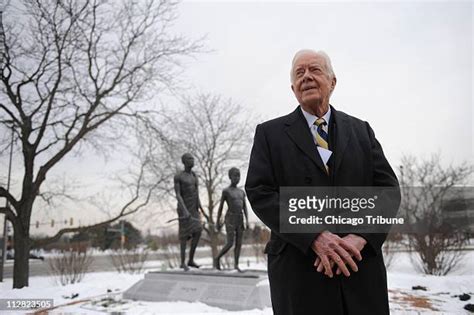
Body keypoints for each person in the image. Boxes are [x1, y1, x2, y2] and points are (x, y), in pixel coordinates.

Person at [245, 49, 400, 315]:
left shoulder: (361, 130)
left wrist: (361, 237)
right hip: (300, 273)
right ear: (293, 88)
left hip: (360, 271)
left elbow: (387, 191)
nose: (306, 77)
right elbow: (260, 192)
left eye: (314, 70)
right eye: (299, 73)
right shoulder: (269, 134)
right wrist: (313, 235)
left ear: (333, 81)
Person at [214, 167, 249, 272]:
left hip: (240, 218)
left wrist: (247, 220)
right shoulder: (226, 191)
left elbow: (245, 207)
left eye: (238, 175)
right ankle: (217, 258)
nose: (237, 178)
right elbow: (220, 207)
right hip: (230, 218)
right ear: (230, 177)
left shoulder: (242, 192)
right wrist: (217, 222)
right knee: (230, 243)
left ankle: (236, 265)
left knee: (239, 243)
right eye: (235, 175)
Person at [174, 153, 204, 271]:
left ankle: (190, 260)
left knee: (198, 231)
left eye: (193, 158)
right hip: (183, 209)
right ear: (184, 161)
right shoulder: (179, 176)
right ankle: (182, 262)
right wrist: (184, 211)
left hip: (194, 208)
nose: (192, 160)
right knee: (184, 236)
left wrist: (202, 209)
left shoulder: (194, 176)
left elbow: (197, 194)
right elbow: (178, 194)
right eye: (190, 159)